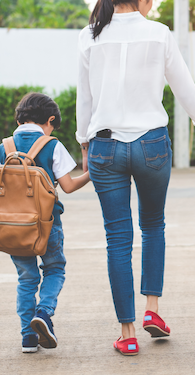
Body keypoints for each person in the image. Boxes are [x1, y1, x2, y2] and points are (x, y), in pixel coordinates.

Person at [76, 0, 195, 356]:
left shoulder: (89, 35)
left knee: (117, 238)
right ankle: (152, 311)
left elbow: (86, 96)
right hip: (152, 145)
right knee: (153, 226)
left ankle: (127, 333)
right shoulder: (159, 34)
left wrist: (84, 142)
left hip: (105, 146)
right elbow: (183, 86)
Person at [0, 92, 90, 353]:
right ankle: (44, 313)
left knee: (26, 279)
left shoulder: (4, 147)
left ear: (19, 120)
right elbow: (69, 186)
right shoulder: (52, 145)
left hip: (12, 228)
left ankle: (28, 337)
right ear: (50, 120)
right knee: (55, 269)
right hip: (47, 224)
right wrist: (90, 174)